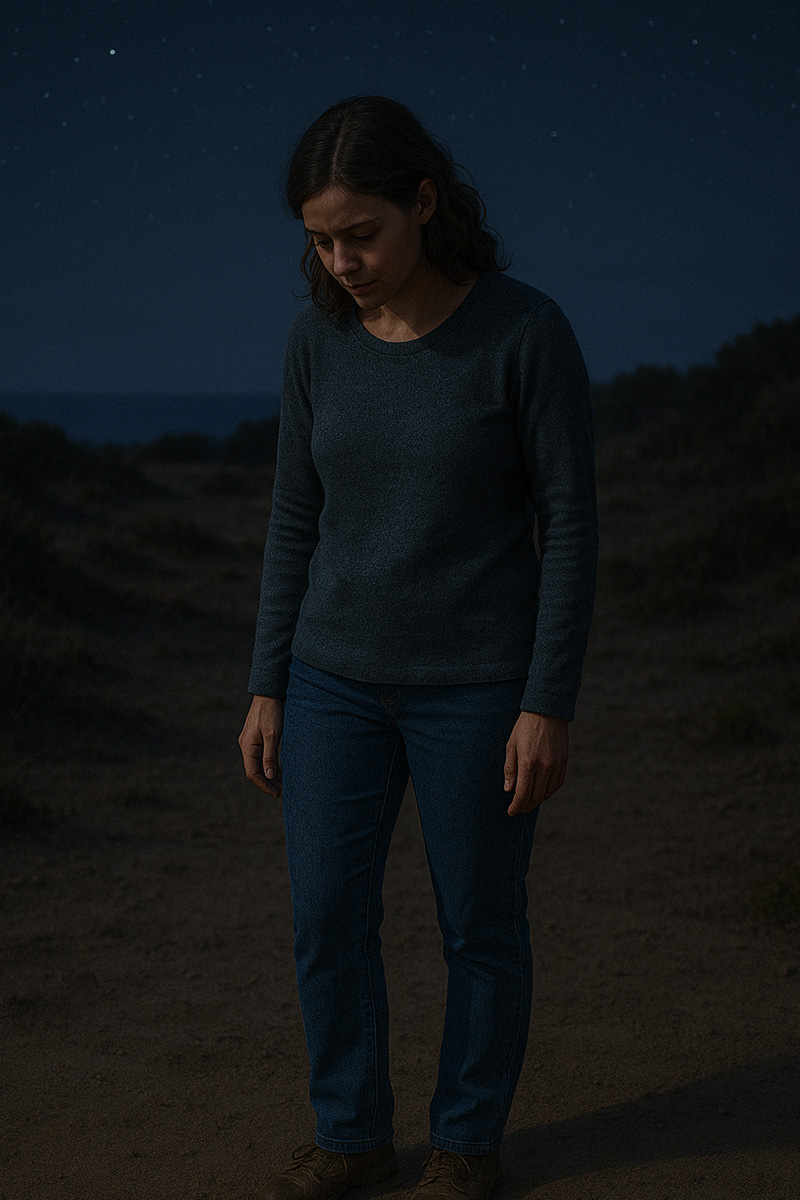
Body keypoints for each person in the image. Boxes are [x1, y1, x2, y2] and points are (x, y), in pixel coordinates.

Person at [238, 95, 598, 1200]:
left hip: (477, 690)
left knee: (478, 923)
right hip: (331, 678)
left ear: (424, 205)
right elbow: (293, 515)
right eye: (318, 240)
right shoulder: (317, 342)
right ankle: (350, 1134)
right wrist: (266, 684)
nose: (340, 261)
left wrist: (545, 701)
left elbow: (571, 524)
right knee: (322, 915)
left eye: (361, 234)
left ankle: (464, 1144)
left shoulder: (521, 332)